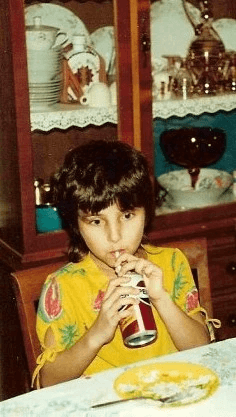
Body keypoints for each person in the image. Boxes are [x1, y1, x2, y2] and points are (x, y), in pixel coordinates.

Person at [33, 139, 211, 388]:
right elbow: (48, 381)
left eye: (127, 216)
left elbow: (202, 348)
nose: (114, 236)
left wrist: (161, 299)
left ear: (146, 212)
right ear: (75, 224)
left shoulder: (171, 263)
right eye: (96, 221)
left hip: (172, 393)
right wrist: (97, 334)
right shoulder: (62, 287)